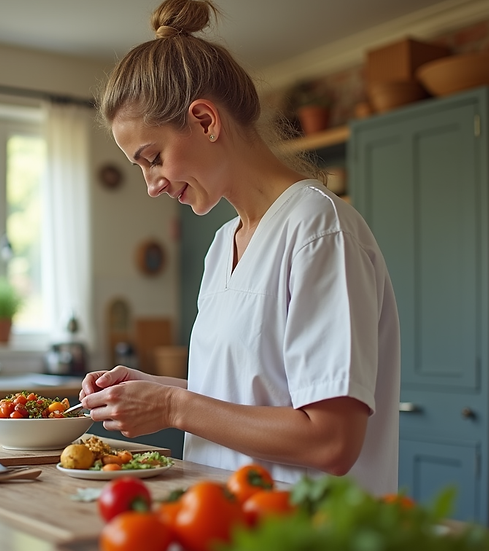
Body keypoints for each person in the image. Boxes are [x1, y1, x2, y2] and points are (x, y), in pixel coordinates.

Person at [79, 0, 401, 496]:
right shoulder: (221, 246)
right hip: (226, 520)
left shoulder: (318, 230)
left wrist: (171, 408)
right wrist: (153, 389)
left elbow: (332, 440)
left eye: (153, 158)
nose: (152, 185)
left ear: (206, 121)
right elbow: (244, 398)